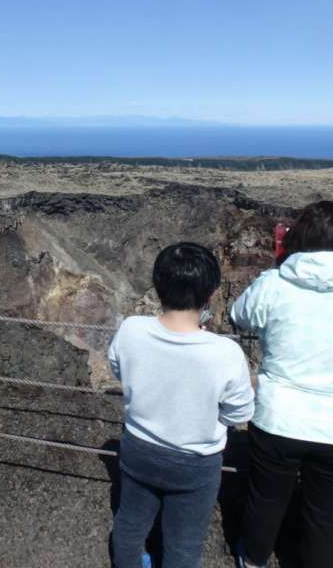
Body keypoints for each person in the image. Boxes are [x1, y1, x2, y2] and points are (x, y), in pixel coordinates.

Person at [231, 201, 333, 568]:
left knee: (266, 500)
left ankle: (253, 559)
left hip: (279, 419)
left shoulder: (273, 285)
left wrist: (277, 272)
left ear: (298, 238)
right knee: (325, 514)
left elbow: (239, 315)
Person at [110, 242, 255, 568]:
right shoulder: (225, 353)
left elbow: (119, 370)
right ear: (211, 293)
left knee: (130, 525)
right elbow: (240, 412)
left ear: (158, 285)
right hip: (196, 463)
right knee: (184, 542)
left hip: (139, 449)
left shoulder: (131, 329)